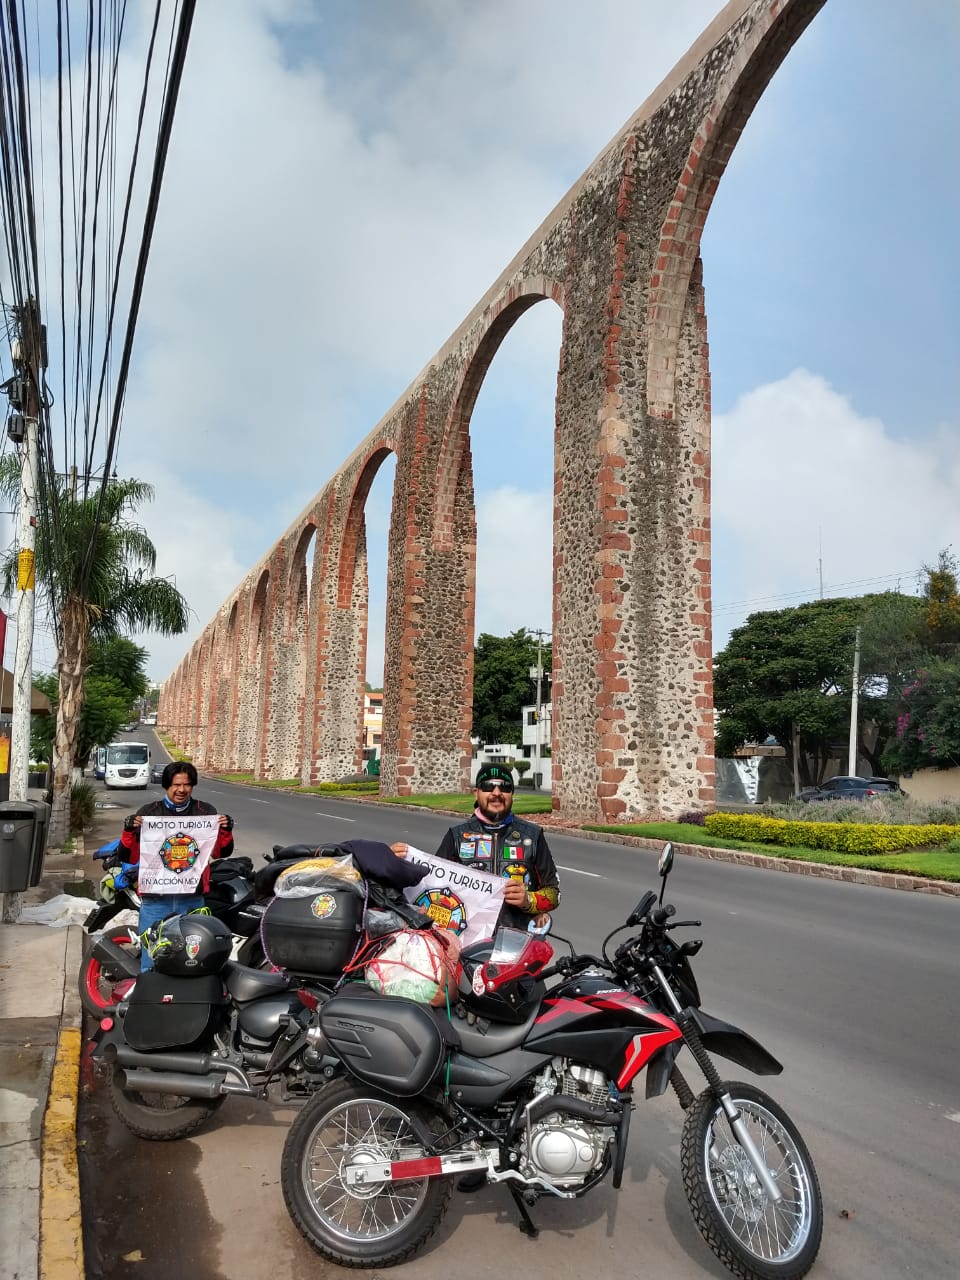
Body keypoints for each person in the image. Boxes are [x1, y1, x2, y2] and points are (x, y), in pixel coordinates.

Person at [118, 761, 235, 971]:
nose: (182, 790)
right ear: (166, 785)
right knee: (152, 961)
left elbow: (219, 852)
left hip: (192, 900)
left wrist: (226, 830)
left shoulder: (205, 812)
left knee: (194, 961)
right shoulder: (148, 812)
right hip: (155, 902)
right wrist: (128, 831)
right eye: (176, 785)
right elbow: (129, 855)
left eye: (187, 785)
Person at [434, 761, 561, 933]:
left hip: (518, 942)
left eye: (505, 787)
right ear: (476, 793)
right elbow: (434, 887)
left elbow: (554, 893)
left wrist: (529, 901)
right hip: (466, 941)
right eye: (488, 786)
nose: (496, 793)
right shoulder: (457, 836)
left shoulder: (533, 835)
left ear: (511, 794)